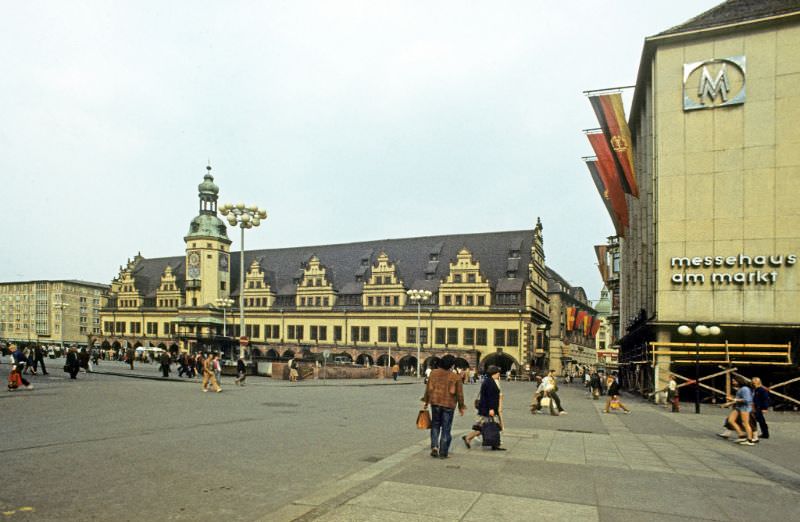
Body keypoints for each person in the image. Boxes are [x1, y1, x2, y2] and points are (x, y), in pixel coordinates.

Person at [421, 355, 465, 459]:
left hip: (435, 402)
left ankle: (435, 446)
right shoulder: (455, 377)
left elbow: (428, 389)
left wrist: (426, 401)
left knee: (435, 425)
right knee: (446, 428)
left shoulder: (433, 373)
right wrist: (461, 406)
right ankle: (443, 452)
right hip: (449, 405)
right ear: (451, 365)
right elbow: (459, 394)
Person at [463, 365, 505, 451]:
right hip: (487, 409)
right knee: (487, 426)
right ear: (494, 373)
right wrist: (491, 409)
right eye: (497, 372)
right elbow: (489, 397)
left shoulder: (490, 381)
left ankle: (494, 443)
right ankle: (468, 437)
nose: (499, 374)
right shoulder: (489, 382)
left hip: (487, 408)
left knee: (488, 426)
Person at [723, 377, 755, 446]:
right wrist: (729, 403)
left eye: (734, 381)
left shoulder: (745, 389)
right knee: (730, 420)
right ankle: (741, 435)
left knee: (745, 423)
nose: (733, 382)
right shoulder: (741, 388)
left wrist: (733, 399)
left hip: (744, 408)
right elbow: (738, 399)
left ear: (738, 381)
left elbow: (747, 400)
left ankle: (750, 440)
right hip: (738, 407)